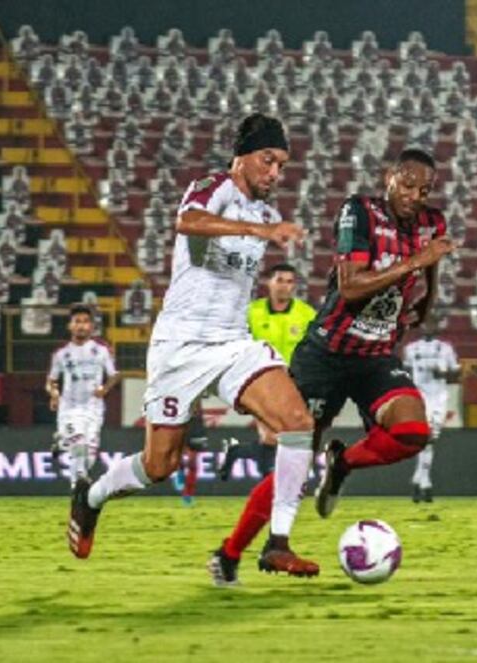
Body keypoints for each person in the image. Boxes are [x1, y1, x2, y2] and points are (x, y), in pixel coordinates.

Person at [66, 113, 319, 583]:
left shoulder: (264, 211)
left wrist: (263, 228)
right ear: (242, 157)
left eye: (282, 165)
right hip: (179, 345)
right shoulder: (215, 186)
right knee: (159, 465)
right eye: (268, 160)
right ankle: (92, 495)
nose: (275, 173)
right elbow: (187, 221)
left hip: (232, 341)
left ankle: (277, 543)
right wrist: (257, 233)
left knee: (299, 423)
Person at [209, 148, 457, 585]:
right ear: (389, 177)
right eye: (408, 184)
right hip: (326, 355)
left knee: (413, 432)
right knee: (295, 463)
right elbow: (351, 287)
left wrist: (427, 300)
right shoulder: (359, 212)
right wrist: (416, 262)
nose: (415, 196)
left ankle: (342, 465)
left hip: (376, 356)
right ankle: (229, 554)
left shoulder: (431, 223)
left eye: (424, 190)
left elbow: (431, 264)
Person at [216, 262, 316, 481]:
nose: (284, 286)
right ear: (269, 283)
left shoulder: (306, 314)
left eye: (289, 282)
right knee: (272, 436)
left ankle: (238, 453)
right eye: (279, 280)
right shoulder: (252, 312)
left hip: (295, 384)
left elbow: (315, 348)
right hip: (261, 382)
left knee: (279, 439)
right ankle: (271, 489)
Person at [46, 304, 120, 488]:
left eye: (85, 322)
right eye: (77, 321)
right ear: (70, 326)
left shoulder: (102, 349)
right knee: (79, 446)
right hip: (69, 408)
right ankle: (77, 493)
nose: (81, 325)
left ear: (92, 327)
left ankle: (63, 440)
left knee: (89, 459)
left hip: (94, 409)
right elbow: (52, 380)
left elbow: (114, 374)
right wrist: (54, 394)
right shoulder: (61, 353)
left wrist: (105, 388)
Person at [401, 319, 461, 503]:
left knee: (430, 440)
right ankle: (425, 484)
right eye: (425, 324)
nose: (428, 327)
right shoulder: (411, 349)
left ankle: (419, 480)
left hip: (439, 397)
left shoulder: (445, 349)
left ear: (436, 327)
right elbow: (405, 371)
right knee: (426, 438)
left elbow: (455, 373)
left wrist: (441, 374)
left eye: (431, 324)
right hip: (421, 396)